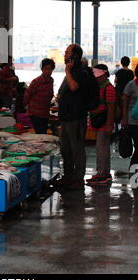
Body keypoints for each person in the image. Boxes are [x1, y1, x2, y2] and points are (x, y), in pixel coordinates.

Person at [55, 44, 90, 191]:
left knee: (77, 149)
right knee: (65, 149)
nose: (64, 55)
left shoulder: (80, 72)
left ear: (74, 56)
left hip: (76, 118)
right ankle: (68, 176)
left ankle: (78, 178)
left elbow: (74, 87)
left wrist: (68, 71)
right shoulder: (71, 72)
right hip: (66, 117)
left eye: (67, 52)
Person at [86, 64, 117, 185]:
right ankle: (103, 173)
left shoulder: (108, 88)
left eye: (98, 77)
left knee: (102, 149)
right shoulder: (101, 87)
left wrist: (109, 126)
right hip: (102, 124)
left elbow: (111, 108)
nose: (96, 79)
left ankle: (102, 174)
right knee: (101, 149)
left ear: (104, 75)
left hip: (104, 125)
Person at [23, 58, 55, 134]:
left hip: (45, 113)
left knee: (42, 133)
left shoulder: (51, 81)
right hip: (35, 114)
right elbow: (27, 94)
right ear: (42, 69)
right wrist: (26, 107)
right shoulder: (36, 81)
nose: (48, 71)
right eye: (45, 69)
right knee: (41, 134)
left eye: (50, 69)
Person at [122, 65, 138, 167]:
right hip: (132, 121)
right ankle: (133, 168)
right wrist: (124, 119)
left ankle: (134, 168)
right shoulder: (131, 85)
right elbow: (125, 102)